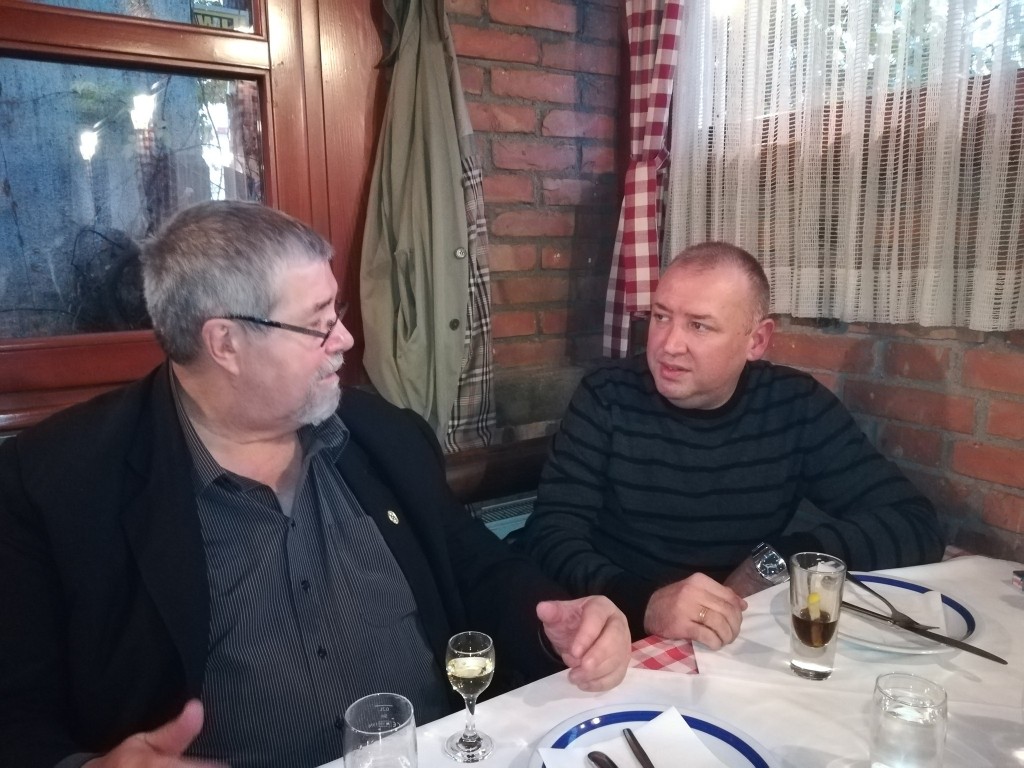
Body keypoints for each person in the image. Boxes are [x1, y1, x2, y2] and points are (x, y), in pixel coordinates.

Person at [0, 201, 631, 768]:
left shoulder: (382, 435)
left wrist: (555, 619)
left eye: (338, 312)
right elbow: (15, 710)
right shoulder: (58, 483)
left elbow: (472, 564)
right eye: (318, 323)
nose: (345, 340)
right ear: (225, 343)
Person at [519, 242, 945, 648]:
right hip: (618, 632)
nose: (668, 345)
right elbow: (551, 533)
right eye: (661, 317)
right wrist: (645, 602)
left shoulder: (795, 406)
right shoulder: (607, 395)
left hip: (735, 635)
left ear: (756, 340)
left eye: (699, 325)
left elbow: (915, 522)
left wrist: (773, 562)